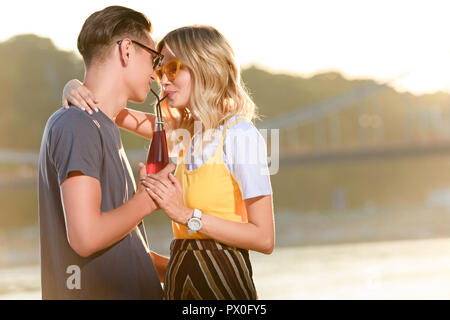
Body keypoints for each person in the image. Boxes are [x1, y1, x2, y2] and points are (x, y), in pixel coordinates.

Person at [63, 25, 275, 300]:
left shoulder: (240, 134)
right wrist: (74, 88)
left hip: (225, 286)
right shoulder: (183, 131)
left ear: (204, 66)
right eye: (160, 71)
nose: (161, 81)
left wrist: (187, 215)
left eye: (172, 69)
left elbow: (264, 238)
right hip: (178, 282)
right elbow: (109, 110)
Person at [38, 5, 171, 300]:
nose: (155, 72)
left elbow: (124, 248)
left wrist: (187, 272)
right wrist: (149, 199)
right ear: (126, 50)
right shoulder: (77, 124)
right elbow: (86, 239)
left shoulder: (100, 125)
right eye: (154, 58)